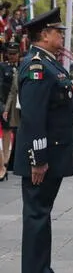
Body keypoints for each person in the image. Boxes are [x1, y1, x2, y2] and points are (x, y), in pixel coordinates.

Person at [15, 7, 73, 273]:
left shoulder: (49, 63)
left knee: (42, 214)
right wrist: (38, 159)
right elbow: (34, 117)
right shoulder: (37, 66)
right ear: (44, 35)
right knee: (37, 215)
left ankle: (41, 268)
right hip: (41, 157)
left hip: (52, 154)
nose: (61, 38)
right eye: (57, 33)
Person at [0, 42, 20, 180]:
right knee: (7, 132)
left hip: (20, 105)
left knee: (18, 132)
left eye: (14, 53)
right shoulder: (3, 67)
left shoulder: (23, 67)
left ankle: (13, 161)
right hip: (7, 104)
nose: (12, 56)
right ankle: (5, 162)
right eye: (10, 53)